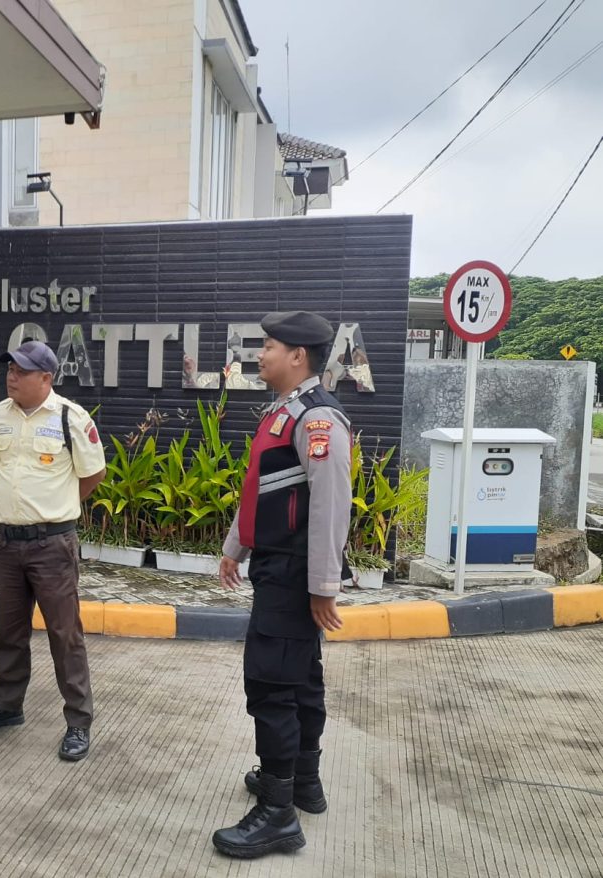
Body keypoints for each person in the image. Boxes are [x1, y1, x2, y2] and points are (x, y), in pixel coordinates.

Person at [211, 311, 352, 860]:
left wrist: (322, 585)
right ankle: (303, 782)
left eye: (268, 345)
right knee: (300, 680)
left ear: (298, 356)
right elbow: (261, 488)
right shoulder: (283, 412)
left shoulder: (318, 421)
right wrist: (234, 547)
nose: (260, 353)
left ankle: (277, 814)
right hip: (278, 566)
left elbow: (330, 506)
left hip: (294, 576)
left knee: (271, 685)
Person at [0, 340, 107, 761]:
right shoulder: (0, 415)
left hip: (52, 545)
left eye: (22, 371)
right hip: (7, 543)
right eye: (9, 368)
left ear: (46, 378)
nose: (12, 376)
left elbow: (93, 473)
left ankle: (78, 722)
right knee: (9, 632)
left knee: (65, 635)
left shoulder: (70, 417)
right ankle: (7, 706)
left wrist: (57, 511)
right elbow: (3, 468)